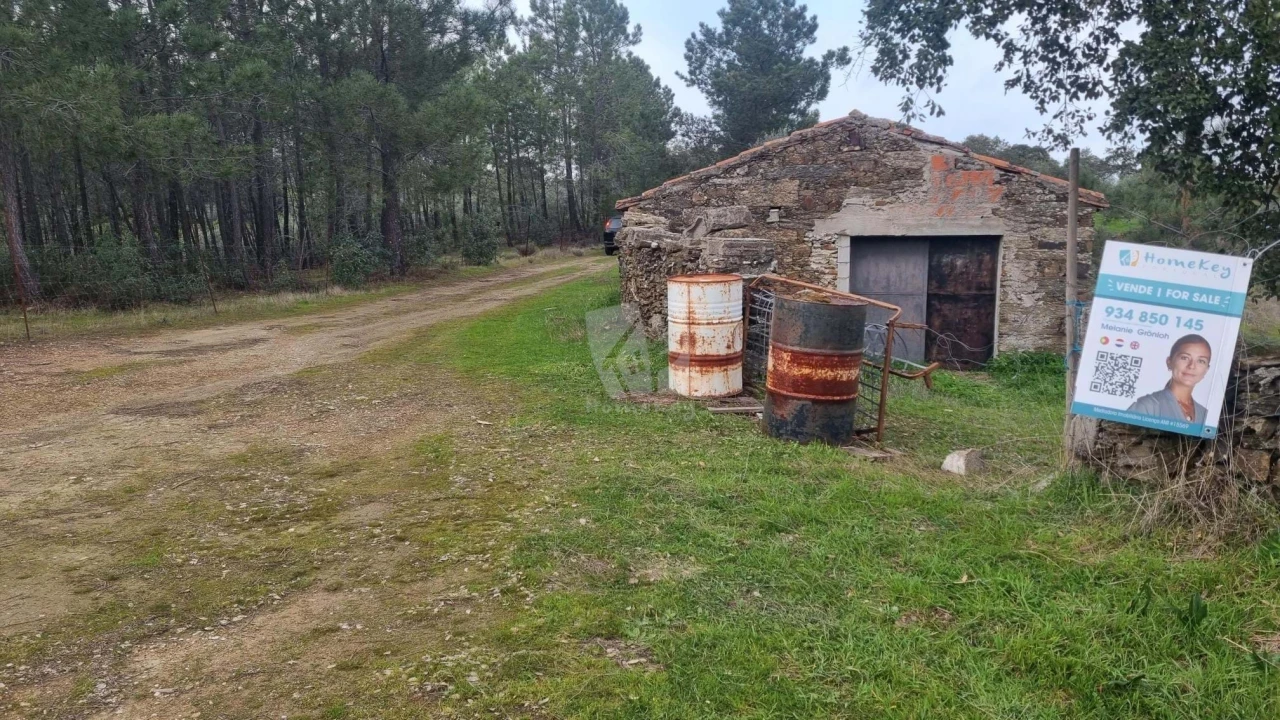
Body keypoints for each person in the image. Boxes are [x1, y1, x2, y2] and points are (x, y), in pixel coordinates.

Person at [1127, 334, 1211, 423]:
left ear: (1207, 369)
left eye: (1201, 361)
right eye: (1184, 358)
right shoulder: (1147, 406)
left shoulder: (1205, 414)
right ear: (1169, 362)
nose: (1192, 366)